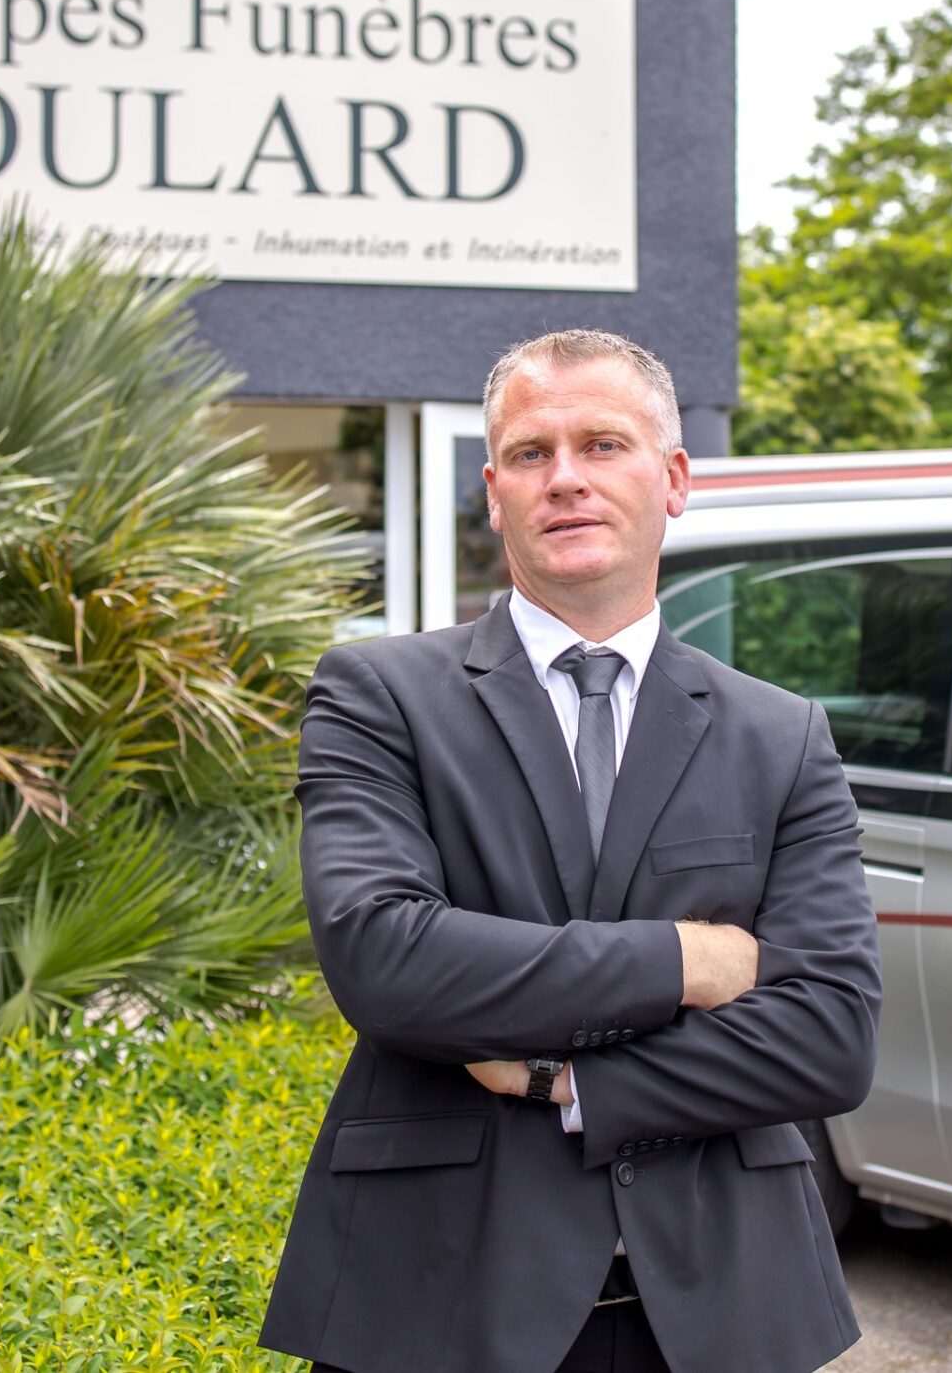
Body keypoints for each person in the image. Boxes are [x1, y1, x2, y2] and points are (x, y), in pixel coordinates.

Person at [260, 329, 882, 1373]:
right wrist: (688, 959)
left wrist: (565, 1081)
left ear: (673, 479)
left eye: (602, 444)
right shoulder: (379, 696)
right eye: (531, 453)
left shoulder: (781, 734)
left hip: (718, 1312)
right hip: (436, 1302)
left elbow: (829, 1036)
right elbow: (385, 960)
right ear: (494, 493)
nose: (565, 479)